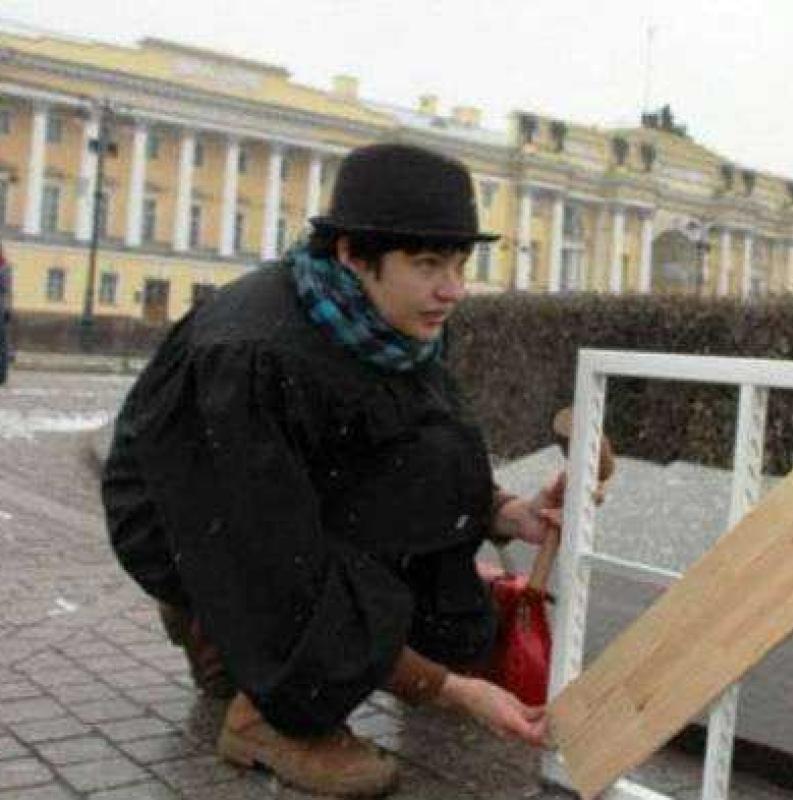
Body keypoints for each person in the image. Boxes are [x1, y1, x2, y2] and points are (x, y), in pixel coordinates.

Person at [102, 143, 563, 797]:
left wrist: (507, 512)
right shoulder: (253, 353)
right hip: (189, 522)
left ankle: (234, 643)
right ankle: (264, 712)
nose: (453, 289)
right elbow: (265, 544)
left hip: (280, 502)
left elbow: (421, 447)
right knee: (307, 597)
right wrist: (449, 690)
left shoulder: (389, 322)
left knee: (443, 616)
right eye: (428, 264)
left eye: (460, 264)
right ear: (351, 253)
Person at [0, 241, 11, 386]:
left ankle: (2, 374)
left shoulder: (4, 267)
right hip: (2, 308)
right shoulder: (5, 266)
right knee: (2, 344)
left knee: (2, 344)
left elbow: (6, 289)